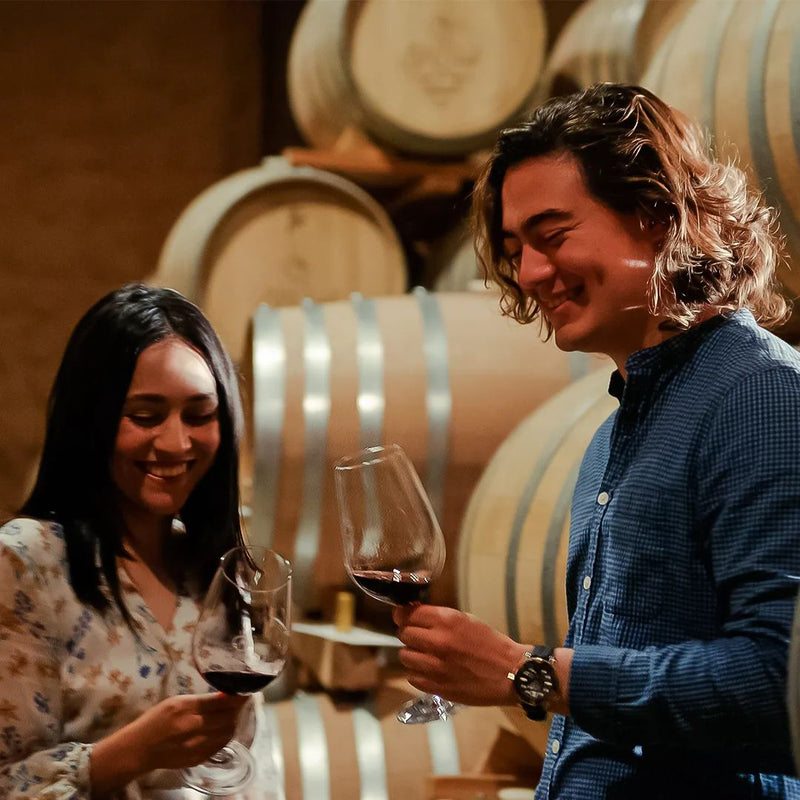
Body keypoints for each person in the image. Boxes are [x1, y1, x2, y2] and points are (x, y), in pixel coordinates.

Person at [393, 83, 800, 798]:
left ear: (654, 213)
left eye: (552, 236)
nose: (528, 273)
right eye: (517, 249)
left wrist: (529, 673)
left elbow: (779, 685)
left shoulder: (760, 397)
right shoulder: (613, 436)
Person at [0, 284, 276, 799]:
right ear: (91, 420)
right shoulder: (24, 562)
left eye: (199, 415)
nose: (176, 443)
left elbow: (255, 768)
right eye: (145, 415)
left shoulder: (213, 566)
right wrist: (133, 753)